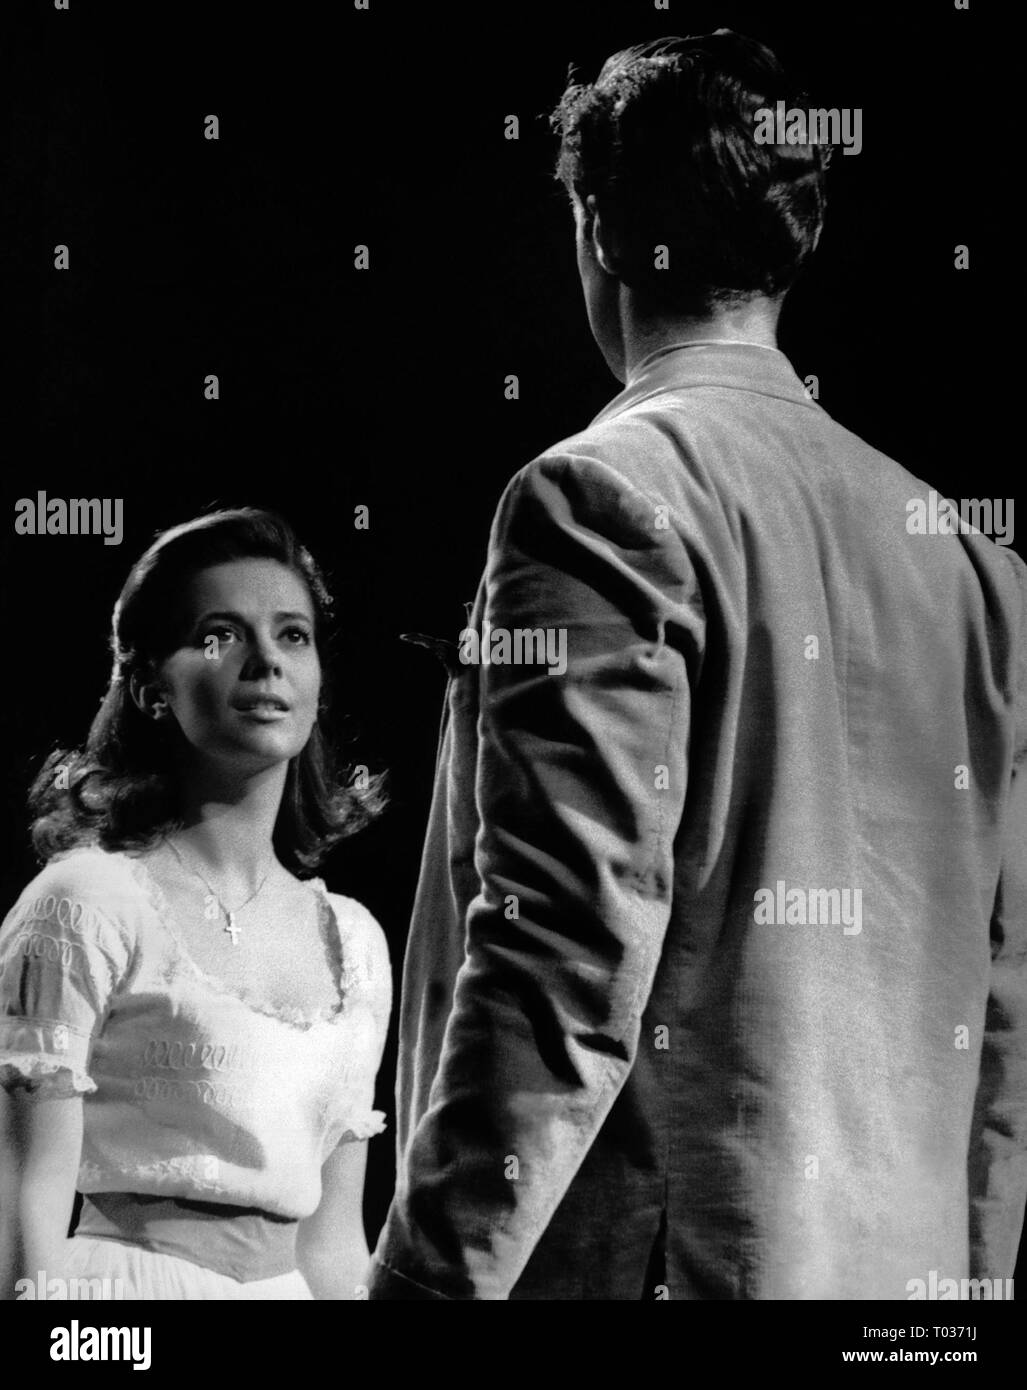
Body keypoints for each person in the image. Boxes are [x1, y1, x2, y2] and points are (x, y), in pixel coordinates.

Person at [367, 31, 1027, 1299]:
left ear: (600, 231)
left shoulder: (598, 495)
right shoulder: (975, 570)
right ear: (796, 242)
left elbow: (560, 949)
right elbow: (1004, 1011)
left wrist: (423, 1292)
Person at [0, 508, 391, 1300]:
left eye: (292, 636)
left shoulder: (354, 942)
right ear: (149, 686)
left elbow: (336, 1248)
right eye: (221, 634)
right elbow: (22, 1212)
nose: (264, 664)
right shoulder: (86, 902)